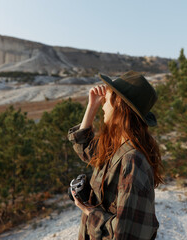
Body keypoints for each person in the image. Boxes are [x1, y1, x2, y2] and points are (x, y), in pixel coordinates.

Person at [67, 70, 163, 240]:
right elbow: (84, 149)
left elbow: (126, 232)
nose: (103, 103)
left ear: (119, 103)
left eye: (108, 96)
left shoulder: (132, 160)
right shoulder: (115, 144)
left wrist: (88, 210)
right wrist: (92, 106)